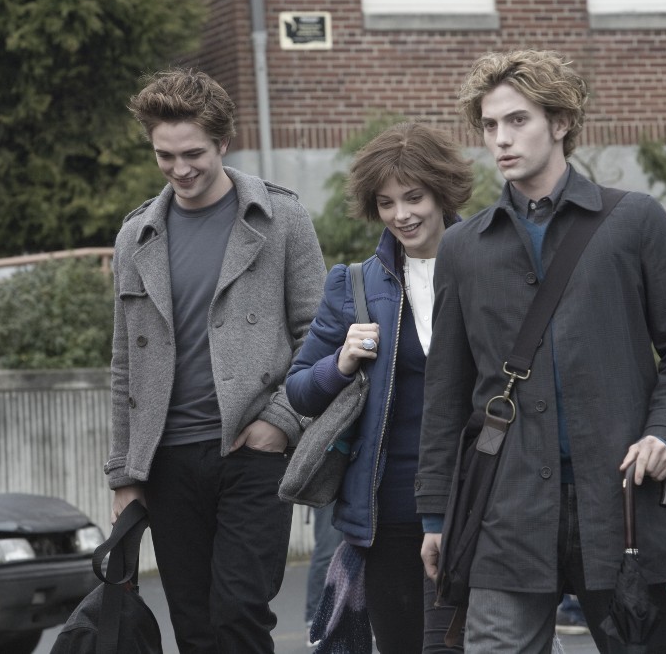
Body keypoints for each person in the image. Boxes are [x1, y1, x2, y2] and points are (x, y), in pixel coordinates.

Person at [417, 48, 666, 653]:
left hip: (621, 501)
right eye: (490, 125)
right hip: (505, 506)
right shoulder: (463, 248)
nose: (501, 139)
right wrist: (435, 515)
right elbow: (446, 393)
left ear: (561, 122)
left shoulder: (635, 221)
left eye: (517, 120)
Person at [104, 67, 327, 653]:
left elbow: (318, 333)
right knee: (194, 625)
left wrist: (281, 422)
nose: (180, 169)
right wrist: (125, 475)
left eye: (193, 154)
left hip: (252, 452)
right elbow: (125, 363)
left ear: (224, 143)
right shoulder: (136, 236)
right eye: (165, 156)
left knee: (239, 612)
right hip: (167, 461)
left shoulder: (281, 217)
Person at [287, 121, 473, 653]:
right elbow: (299, 390)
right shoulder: (354, 284)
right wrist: (341, 362)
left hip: (475, 498)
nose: (401, 215)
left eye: (414, 197)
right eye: (387, 203)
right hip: (388, 509)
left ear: (442, 192)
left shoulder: (489, 266)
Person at [305, 502, 343, 647]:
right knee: (327, 552)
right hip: (328, 492)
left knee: (362, 546)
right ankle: (315, 622)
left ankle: (362, 618)